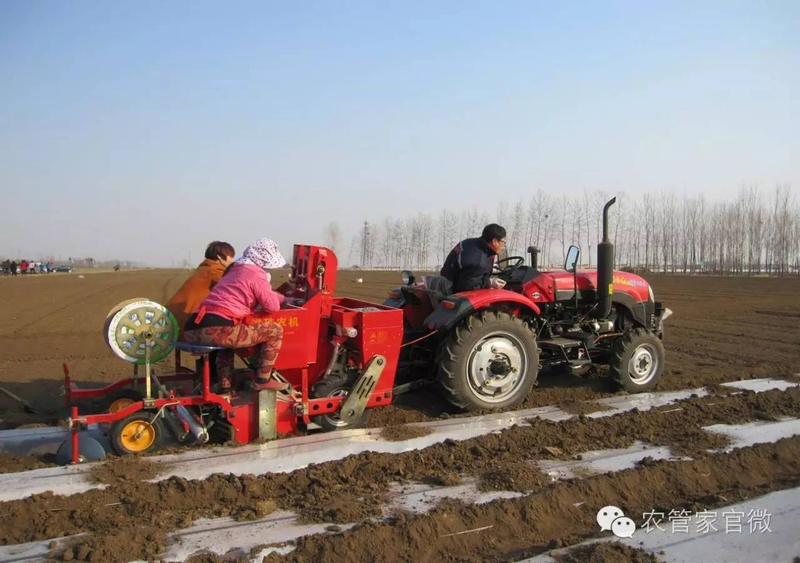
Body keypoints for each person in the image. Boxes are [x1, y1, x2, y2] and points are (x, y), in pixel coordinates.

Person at [183, 238, 287, 392]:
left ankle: (225, 387)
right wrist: (284, 299)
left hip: (193, 327)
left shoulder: (235, 268)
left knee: (227, 342)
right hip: (214, 329)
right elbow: (272, 306)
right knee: (275, 331)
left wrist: (280, 297)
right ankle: (263, 379)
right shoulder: (256, 274)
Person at [440, 224, 508, 293]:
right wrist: (490, 282)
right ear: (494, 241)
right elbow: (468, 285)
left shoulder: (471, 243)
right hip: (454, 291)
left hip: (445, 283)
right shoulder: (478, 260)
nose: (503, 245)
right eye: (503, 242)